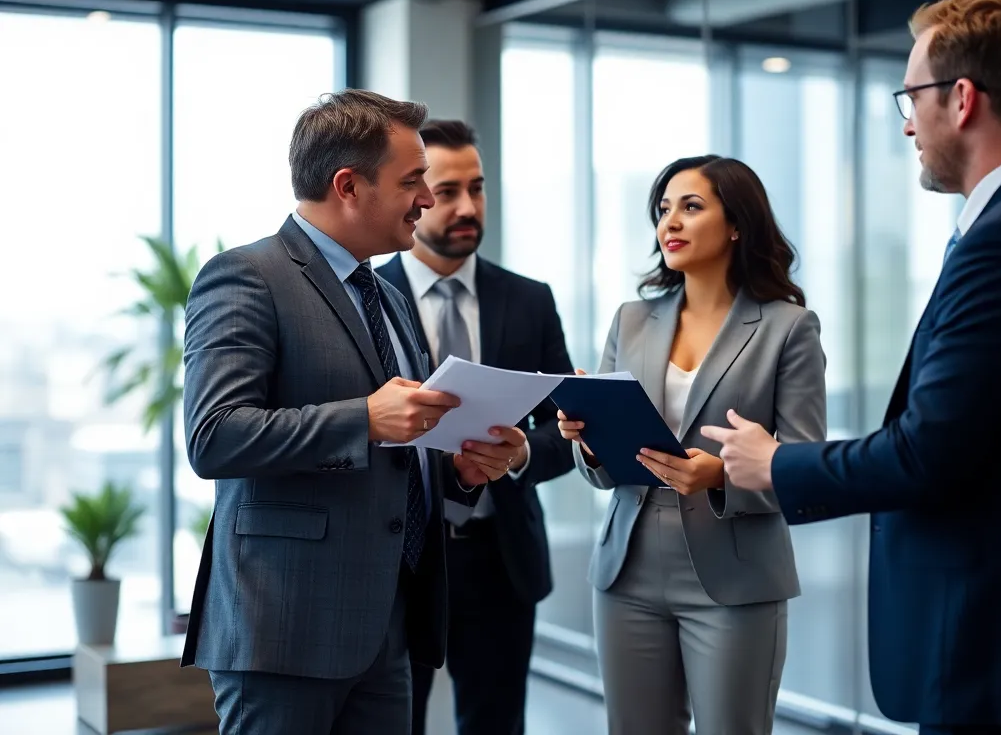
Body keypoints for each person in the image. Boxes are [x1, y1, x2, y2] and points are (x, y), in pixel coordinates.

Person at [705, 0, 1001, 735]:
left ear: (962, 98)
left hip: (994, 649)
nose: (907, 124)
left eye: (911, 98)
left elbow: (927, 453)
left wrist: (774, 465)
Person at [180, 89, 530, 735]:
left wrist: (459, 471)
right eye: (412, 181)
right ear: (348, 185)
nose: (426, 199)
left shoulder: (385, 294)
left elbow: (400, 446)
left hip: (384, 630)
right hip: (285, 633)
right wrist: (362, 419)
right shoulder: (246, 277)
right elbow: (214, 436)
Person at [554, 155, 826, 735]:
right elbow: (598, 472)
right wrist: (590, 442)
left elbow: (805, 462)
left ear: (736, 224)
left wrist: (722, 476)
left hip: (735, 571)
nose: (669, 222)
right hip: (627, 572)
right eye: (663, 209)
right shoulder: (630, 320)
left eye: (691, 206)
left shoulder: (788, 327)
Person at [375, 119, 575, 735]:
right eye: (449, 190)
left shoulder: (529, 299)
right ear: (417, 196)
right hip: (399, 559)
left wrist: (519, 455)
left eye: (478, 188)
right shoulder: (367, 297)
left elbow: (567, 429)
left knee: (496, 725)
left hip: (499, 559)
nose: (467, 207)